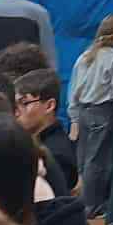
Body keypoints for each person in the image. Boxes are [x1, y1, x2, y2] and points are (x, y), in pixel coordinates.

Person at [70, 14, 113, 220]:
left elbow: (74, 89)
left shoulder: (85, 56)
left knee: (84, 159)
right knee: (98, 161)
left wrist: (74, 116)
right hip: (103, 112)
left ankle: (81, 202)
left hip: (84, 111)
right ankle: (92, 206)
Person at [16, 67, 77, 197]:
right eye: (15, 105)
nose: (16, 112)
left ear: (49, 106)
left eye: (24, 103)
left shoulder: (57, 154)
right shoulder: (35, 142)